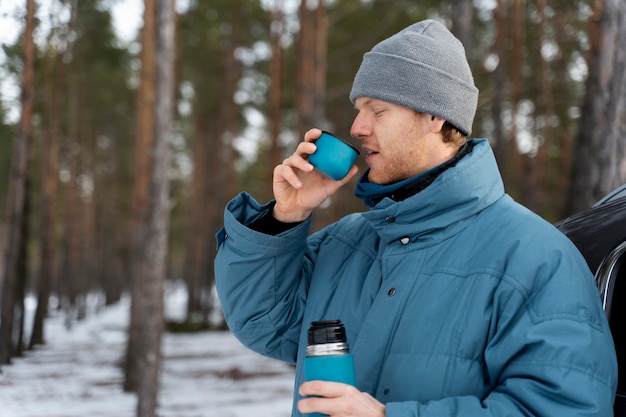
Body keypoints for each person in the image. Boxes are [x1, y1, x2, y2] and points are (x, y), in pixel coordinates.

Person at [214, 19, 617, 417]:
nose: (357, 127)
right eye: (359, 110)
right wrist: (285, 218)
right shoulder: (346, 244)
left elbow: (564, 408)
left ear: (435, 118)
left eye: (378, 110)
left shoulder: (536, 257)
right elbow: (265, 324)